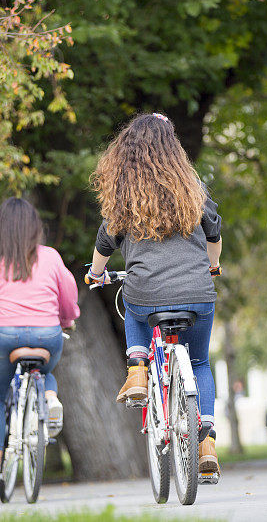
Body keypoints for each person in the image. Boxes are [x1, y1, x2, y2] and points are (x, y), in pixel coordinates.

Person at [85, 112, 223, 476]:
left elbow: (105, 239)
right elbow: (214, 231)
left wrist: (95, 274)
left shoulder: (125, 193)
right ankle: (206, 440)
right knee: (199, 363)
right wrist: (212, 267)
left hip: (146, 292)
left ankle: (136, 370)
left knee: (133, 305)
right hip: (198, 292)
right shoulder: (193, 186)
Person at [0, 197, 80, 479]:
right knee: (47, 370)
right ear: (34, 227)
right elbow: (67, 294)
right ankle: (50, 398)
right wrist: (67, 320)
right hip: (48, 332)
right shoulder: (50, 256)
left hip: (5, 335)